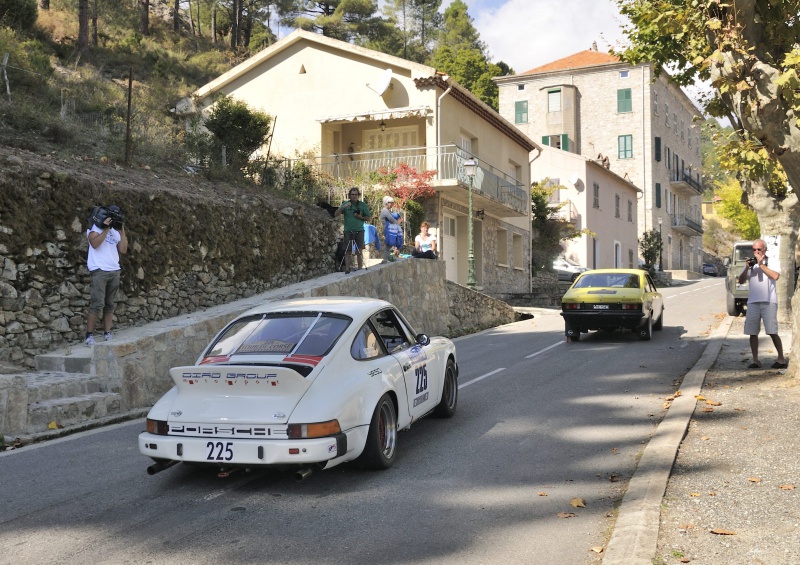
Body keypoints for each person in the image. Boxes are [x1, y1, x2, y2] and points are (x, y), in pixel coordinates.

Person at [738, 238, 787, 369]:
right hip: (753, 302)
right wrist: (747, 268)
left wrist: (761, 265)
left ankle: (781, 358)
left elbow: (775, 276)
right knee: (752, 332)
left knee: (772, 331)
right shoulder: (750, 263)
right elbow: (741, 281)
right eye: (754, 249)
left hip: (769, 301)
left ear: (764, 249)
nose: (756, 252)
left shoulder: (771, 261)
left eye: (759, 249)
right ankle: (755, 360)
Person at [85, 206, 128, 346]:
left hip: (114, 270)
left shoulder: (115, 232)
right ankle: (89, 335)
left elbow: (123, 249)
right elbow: (95, 244)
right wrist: (106, 229)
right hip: (99, 270)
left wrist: (121, 230)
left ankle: (107, 332)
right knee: (97, 304)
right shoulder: (94, 230)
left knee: (109, 304)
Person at [334, 187, 369, 273]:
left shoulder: (362, 205)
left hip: (359, 230)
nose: (354, 196)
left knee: (359, 250)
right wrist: (343, 207)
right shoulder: (345, 204)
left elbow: (368, 218)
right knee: (348, 251)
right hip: (348, 231)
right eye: (352, 194)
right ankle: (347, 269)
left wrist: (360, 217)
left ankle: (360, 269)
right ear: (349, 195)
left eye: (355, 194)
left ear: (358, 195)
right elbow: (336, 214)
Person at [380, 195, 403, 262]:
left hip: (390, 230)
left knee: (391, 245)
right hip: (387, 230)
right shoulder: (385, 211)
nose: (392, 204)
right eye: (390, 203)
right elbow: (392, 220)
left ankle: (389, 258)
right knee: (388, 245)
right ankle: (386, 259)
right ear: (386, 203)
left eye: (392, 203)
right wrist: (399, 221)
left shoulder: (388, 211)